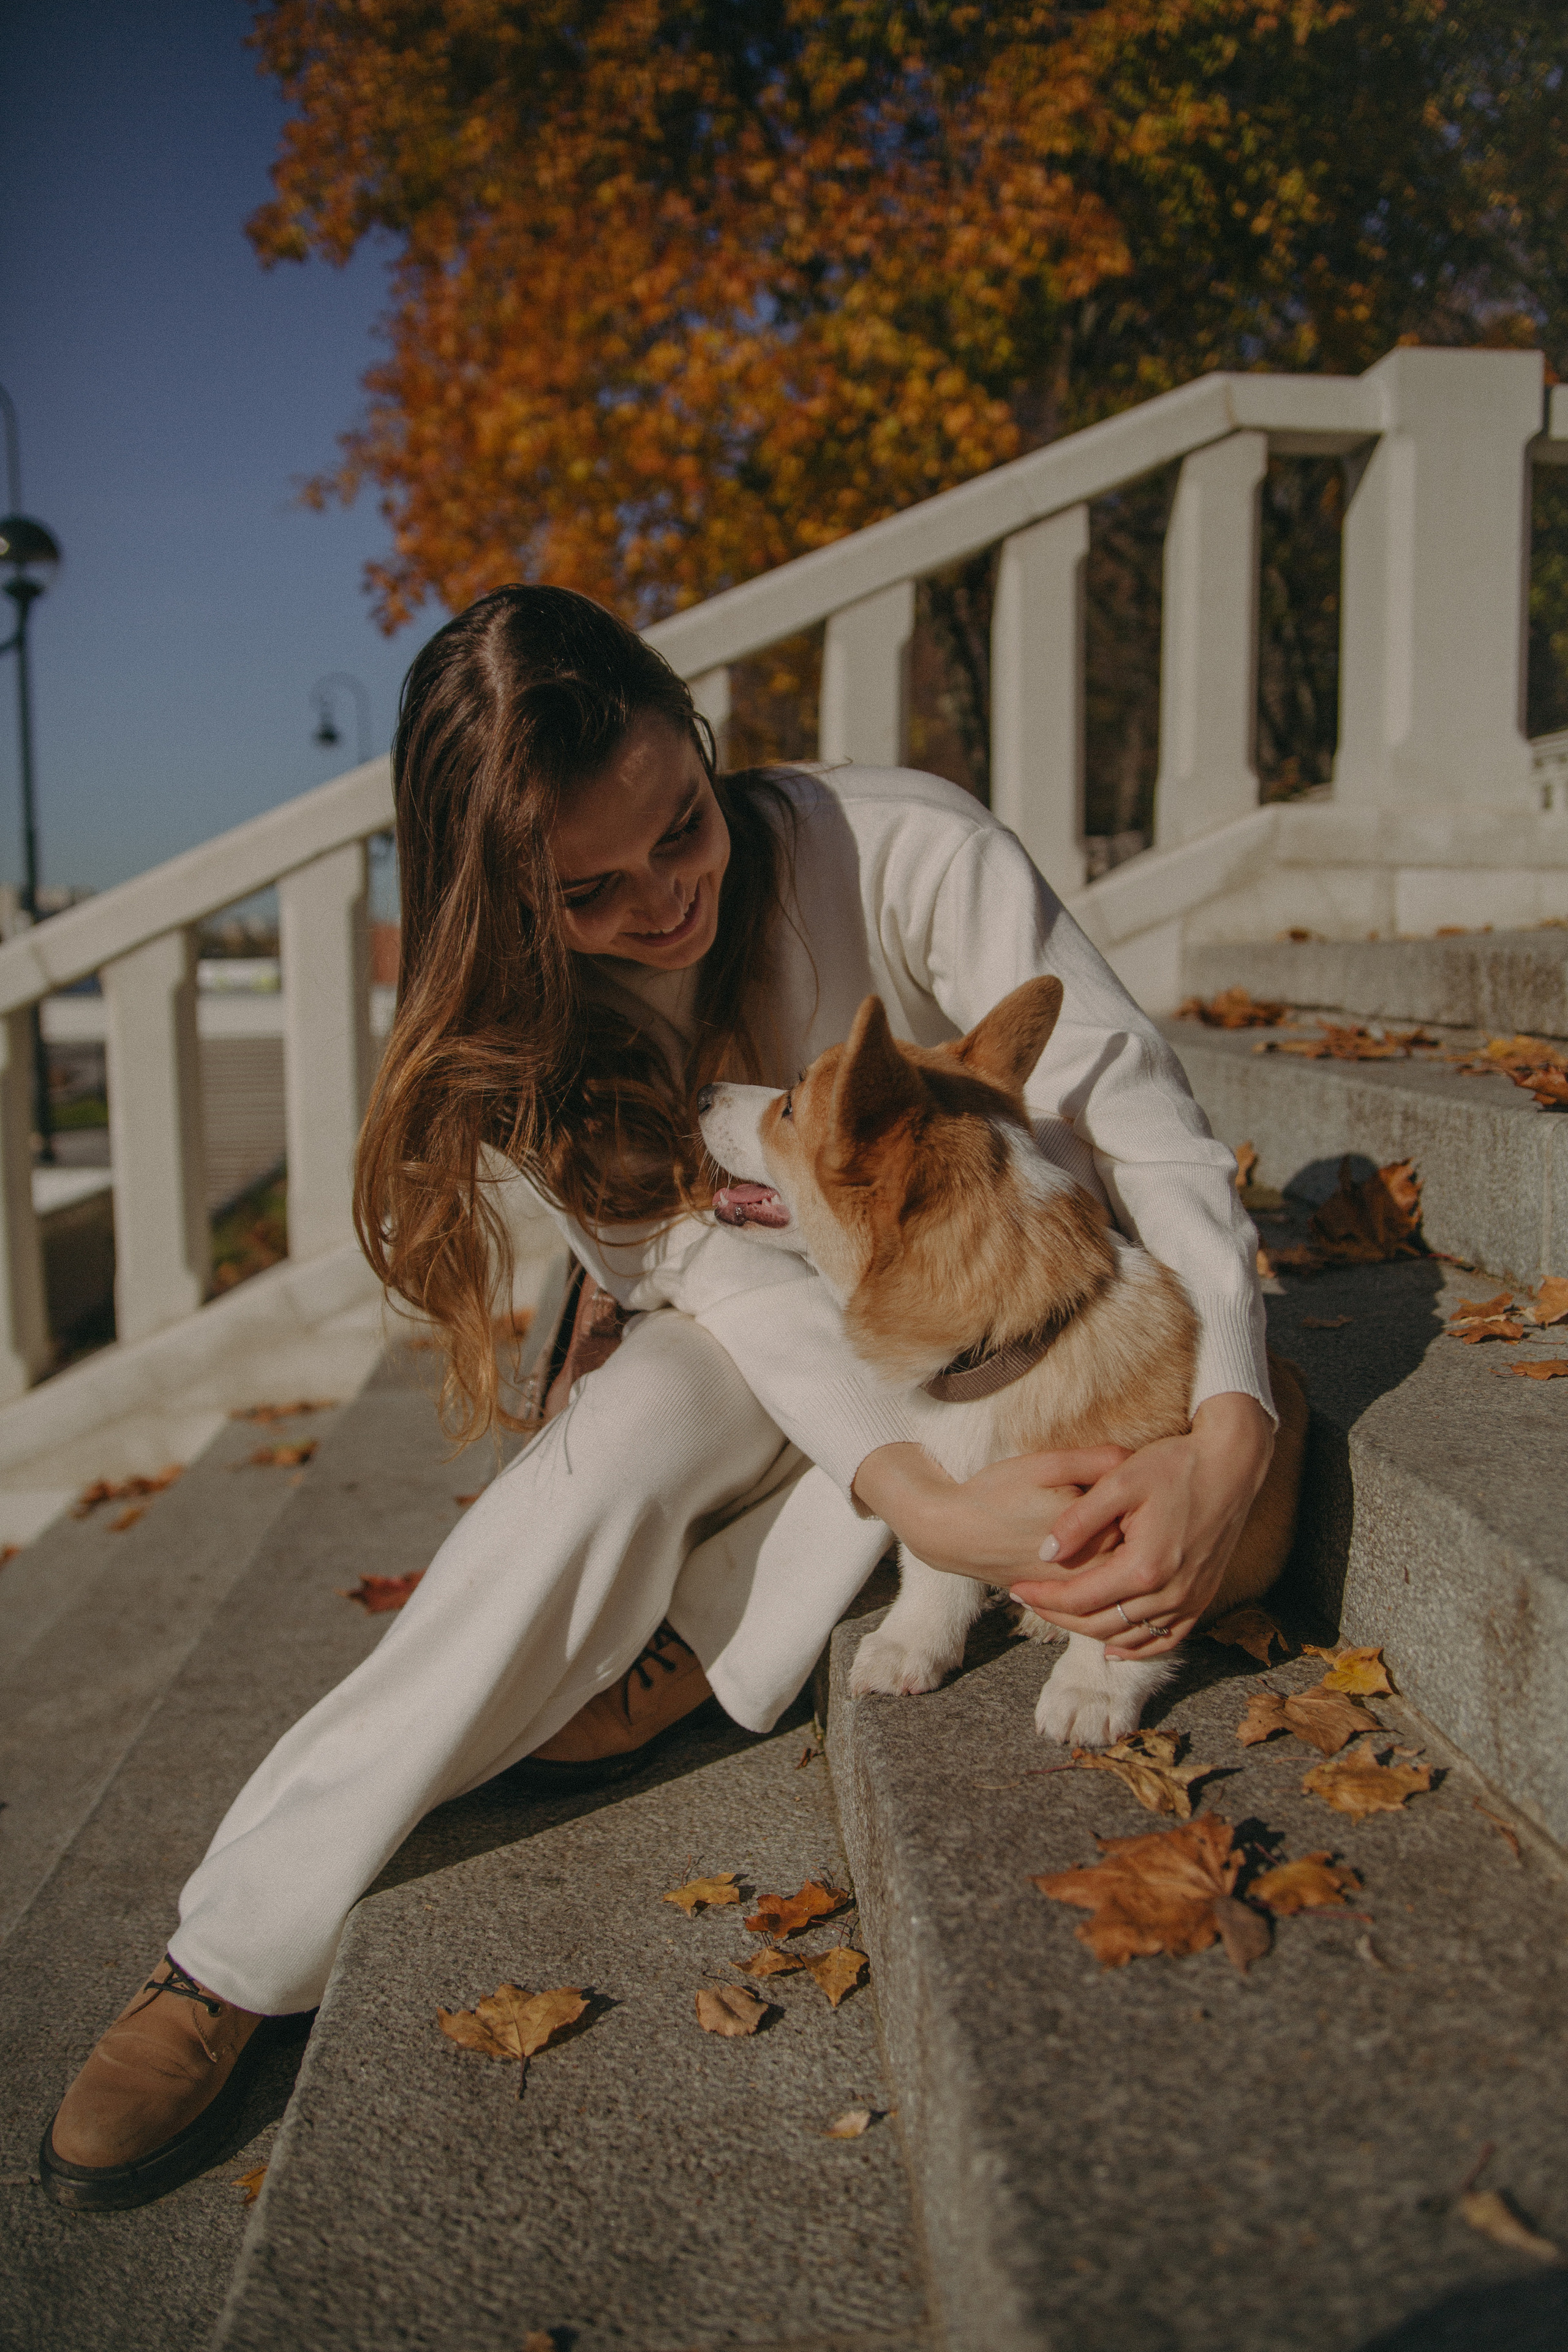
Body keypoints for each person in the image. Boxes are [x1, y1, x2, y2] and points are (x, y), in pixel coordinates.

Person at [40, 586, 1276, 2211]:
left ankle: (686, 1636)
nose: (666, 900)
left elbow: (1152, 1129)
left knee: (853, 1437)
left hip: (1013, 1311)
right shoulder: (538, 1035)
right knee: (629, 1433)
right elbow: (743, 1298)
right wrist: (928, 1503)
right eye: (593, 892)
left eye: (681, 828)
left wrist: (1234, 1429)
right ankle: (226, 1955)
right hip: (760, 1330)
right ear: (516, 904)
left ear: (702, 745)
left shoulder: (903, 844)